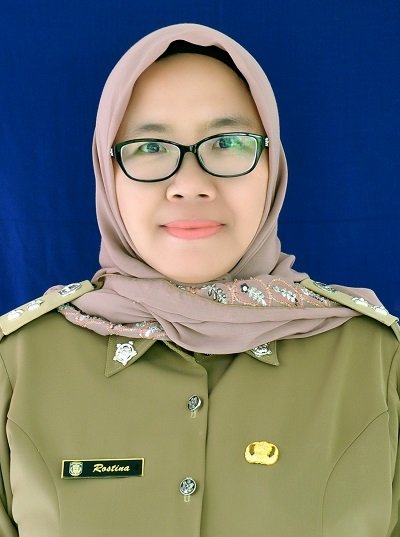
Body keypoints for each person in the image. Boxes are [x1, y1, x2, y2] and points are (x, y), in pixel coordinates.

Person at [0, 23, 399, 537]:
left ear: (272, 166)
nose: (190, 185)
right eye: (149, 147)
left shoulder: (375, 364)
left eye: (228, 142)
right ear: (107, 171)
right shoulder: (19, 366)